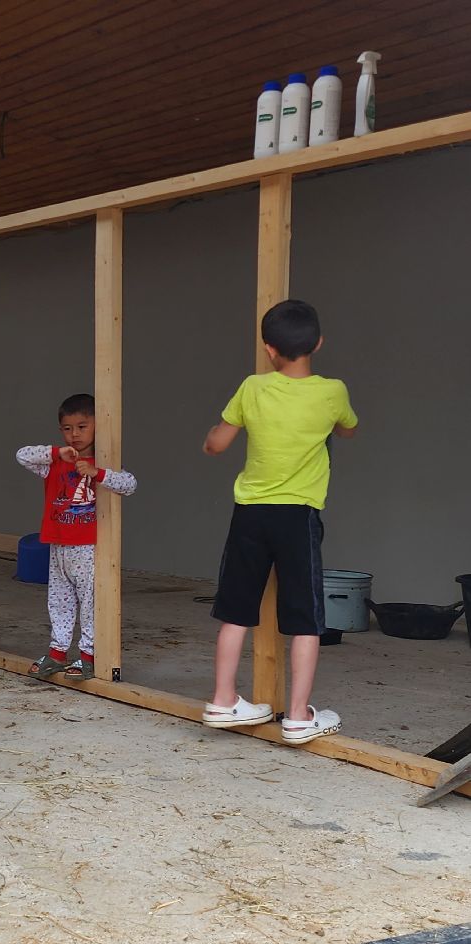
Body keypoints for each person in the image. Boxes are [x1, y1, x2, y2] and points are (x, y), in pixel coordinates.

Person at [202, 299, 358, 744]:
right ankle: (297, 715)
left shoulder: (252, 388)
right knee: (305, 617)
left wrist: (213, 438)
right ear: (319, 343)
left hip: (250, 514)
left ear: (269, 349)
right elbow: (348, 428)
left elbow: (216, 444)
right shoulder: (333, 392)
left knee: (235, 610)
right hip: (299, 517)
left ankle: (223, 698)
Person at [16, 393, 137, 680]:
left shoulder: (102, 462)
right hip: (59, 544)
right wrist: (56, 452)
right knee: (59, 600)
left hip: (87, 547)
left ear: (98, 426)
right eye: (67, 428)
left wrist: (98, 473)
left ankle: (88, 656)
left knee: (89, 602)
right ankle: (58, 651)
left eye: (83, 427)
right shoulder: (55, 462)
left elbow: (129, 484)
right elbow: (22, 455)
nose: (75, 434)